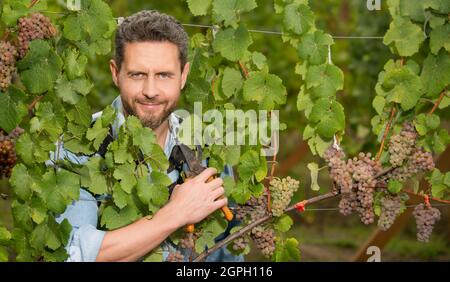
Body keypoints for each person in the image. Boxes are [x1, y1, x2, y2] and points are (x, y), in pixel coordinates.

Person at [50, 10, 243, 262]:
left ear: (183, 76)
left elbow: (226, 256)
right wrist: (175, 214)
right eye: (137, 74)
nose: (150, 91)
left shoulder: (205, 147)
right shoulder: (77, 146)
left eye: (164, 75)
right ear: (115, 72)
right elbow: (74, 256)